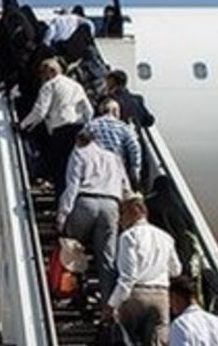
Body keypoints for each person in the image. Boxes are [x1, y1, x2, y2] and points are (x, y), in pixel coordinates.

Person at [105, 192, 182, 346]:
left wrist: (111, 304)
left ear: (136, 210)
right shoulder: (166, 237)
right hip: (161, 295)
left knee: (127, 342)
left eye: (123, 213)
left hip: (136, 294)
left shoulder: (129, 237)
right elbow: (176, 270)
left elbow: (128, 277)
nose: (120, 220)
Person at [57, 127, 132, 299]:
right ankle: (108, 303)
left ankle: (76, 294)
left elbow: (72, 187)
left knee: (73, 250)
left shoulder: (79, 153)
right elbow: (125, 187)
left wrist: (62, 216)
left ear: (78, 141)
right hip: (111, 205)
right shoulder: (114, 157)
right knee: (107, 257)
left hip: (85, 202)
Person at [19, 59, 93, 196]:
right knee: (75, 166)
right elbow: (89, 110)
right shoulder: (76, 85)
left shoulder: (49, 85)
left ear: (51, 71)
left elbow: (40, 111)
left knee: (60, 168)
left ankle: (61, 199)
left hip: (61, 130)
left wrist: (23, 125)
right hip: (78, 128)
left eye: (42, 72)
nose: (41, 76)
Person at [88, 98, 142, 189]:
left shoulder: (91, 125)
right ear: (115, 111)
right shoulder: (124, 127)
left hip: (95, 168)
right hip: (117, 168)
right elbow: (134, 148)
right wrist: (135, 170)